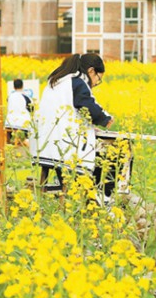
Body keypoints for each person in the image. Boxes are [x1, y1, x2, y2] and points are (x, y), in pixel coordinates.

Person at [31, 53, 117, 204]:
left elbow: (69, 110)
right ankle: (102, 196)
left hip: (45, 145)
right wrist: (106, 118)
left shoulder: (56, 81)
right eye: (98, 78)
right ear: (91, 71)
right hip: (65, 147)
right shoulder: (77, 82)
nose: (97, 83)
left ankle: (87, 195)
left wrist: (87, 125)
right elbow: (87, 105)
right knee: (111, 152)